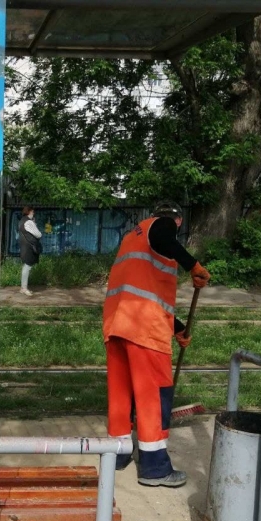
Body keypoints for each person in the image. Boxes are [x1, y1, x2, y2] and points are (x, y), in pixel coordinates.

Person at [102, 202, 210, 487]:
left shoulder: (131, 237)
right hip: (145, 329)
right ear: (178, 220)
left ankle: (118, 454)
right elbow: (165, 238)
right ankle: (155, 468)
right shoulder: (161, 226)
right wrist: (193, 265)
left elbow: (145, 291)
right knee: (153, 397)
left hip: (118, 324)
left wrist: (177, 329)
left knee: (121, 395)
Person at [17, 206, 42, 296]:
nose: (33, 213)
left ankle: (23, 287)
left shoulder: (21, 221)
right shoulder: (29, 222)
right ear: (29, 212)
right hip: (29, 247)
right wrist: (34, 225)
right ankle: (24, 288)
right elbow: (38, 234)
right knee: (27, 266)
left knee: (26, 266)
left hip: (24, 246)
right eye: (33, 212)